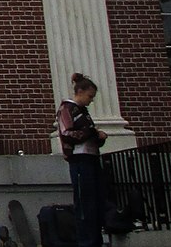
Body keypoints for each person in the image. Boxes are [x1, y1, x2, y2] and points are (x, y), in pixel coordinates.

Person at [57, 71, 107, 247]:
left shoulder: (82, 112)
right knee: (84, 202)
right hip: (79, 159)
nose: (91, 100)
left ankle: (94, 239)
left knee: (94, 201)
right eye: (89, 96)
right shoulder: (67, 108)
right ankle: (86, 241)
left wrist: (98, 138)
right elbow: (67, 134)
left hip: (91, 157)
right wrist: (91, 133)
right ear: (80, 92)